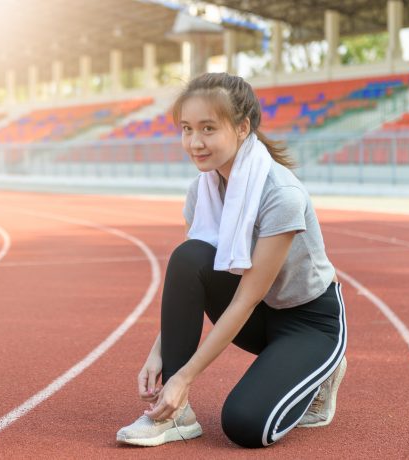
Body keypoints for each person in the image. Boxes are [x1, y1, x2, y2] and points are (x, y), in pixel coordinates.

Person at [116, 73, 347, 448]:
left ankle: (324, 370)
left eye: (208, 128)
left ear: (242, 127)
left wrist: (185, 376)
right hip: (258, 317)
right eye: (186, 128)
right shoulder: (202, 191)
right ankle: (174, 416)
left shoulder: (280, 193)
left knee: (245, 426)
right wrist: (162, 353)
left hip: (307, 321)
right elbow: (192, 280)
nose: (194, 142)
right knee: (189, 256)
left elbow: (245, 297)